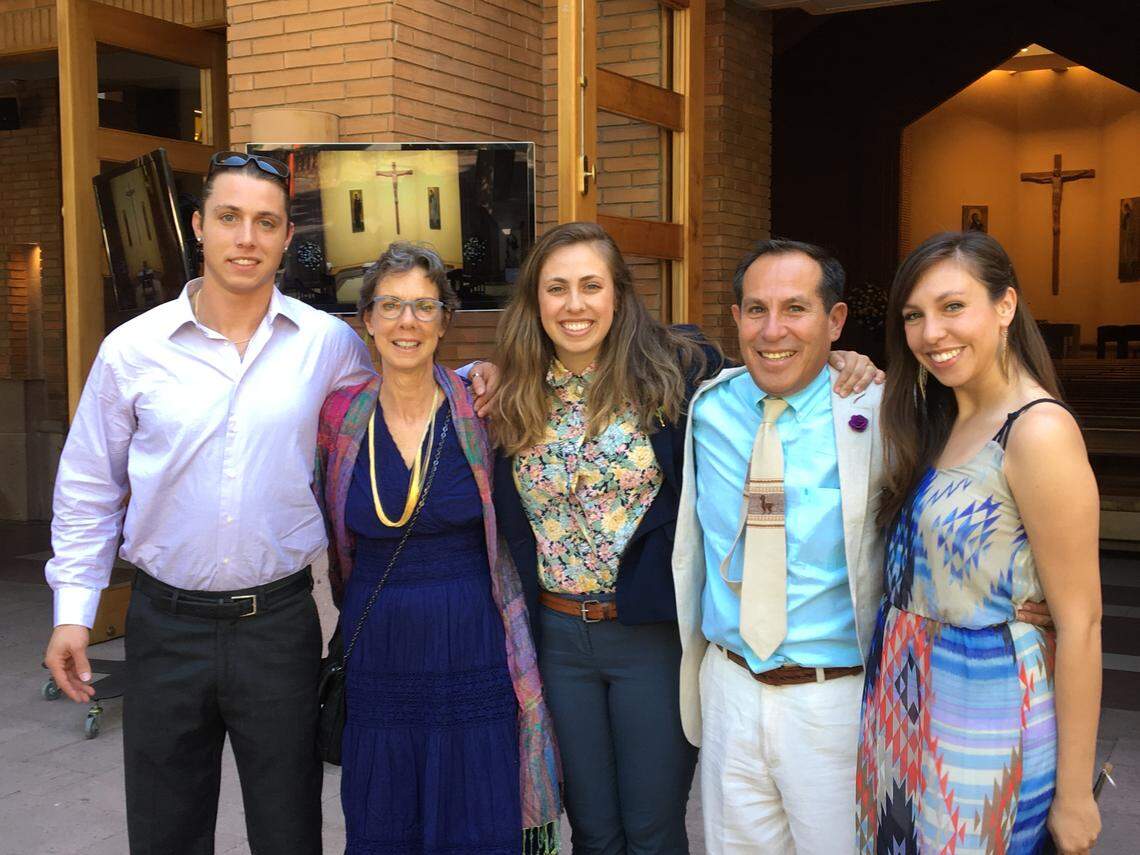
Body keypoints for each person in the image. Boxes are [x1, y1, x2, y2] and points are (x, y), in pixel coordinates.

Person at [489, 222, 879, 854]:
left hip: (648, 636)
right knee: (589, 826)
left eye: (591, 285)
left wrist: (842, 357)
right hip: (559, 638)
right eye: (556, 288)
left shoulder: (678, 375)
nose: (574, 304)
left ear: (618, 294)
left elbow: (777, 361)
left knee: (650, 828)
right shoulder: (510, 393)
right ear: (535, 301)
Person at [42, 152, 375, 854]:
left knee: (289, 831)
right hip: (164, 627)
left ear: (288, 237)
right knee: (166, 831)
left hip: (279, 628)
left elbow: (402, 399)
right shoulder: (132, 349)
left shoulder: (330, 346)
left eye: (265, 222)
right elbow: (88, 486)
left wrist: (477, 376)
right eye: (229, 218)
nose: (245, 237)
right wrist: (74, 611)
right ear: (200, 226)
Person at [856, 231, 1101, 855]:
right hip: (901, 699)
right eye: (914, 316)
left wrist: (1074, 797)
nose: (931, 332)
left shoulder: (1037, 430)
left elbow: (1082, 623)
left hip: (982, 716)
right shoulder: (937, 414)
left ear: (1006, 306)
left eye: (952, 307)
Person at [313, 243, 561, 854]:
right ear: (366, 319)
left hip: (472, 636)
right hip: (379, 640)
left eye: (425, 306)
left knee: (476, 802)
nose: (408, 322)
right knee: (383, 808)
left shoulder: (482, 407)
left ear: (445, 320)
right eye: (391, 305)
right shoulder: (339, 416)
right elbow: (331, 526)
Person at [672, 238, 884, 854]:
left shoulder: (880, 411)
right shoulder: (707, 407)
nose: (773, 330)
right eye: (756, 309)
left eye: (795, 309)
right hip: (731, 687)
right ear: (735, 318)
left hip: (835, 700)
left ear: (834, 320)